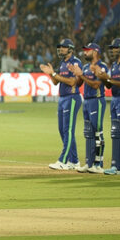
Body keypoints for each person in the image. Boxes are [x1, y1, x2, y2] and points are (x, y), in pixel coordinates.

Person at [94, 38, 120, 175]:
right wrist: (103, 77)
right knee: (115, 132)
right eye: (111, 48)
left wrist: (108, 78)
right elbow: (109, 85)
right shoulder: (114, 65)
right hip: (115, 99)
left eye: (114, 48)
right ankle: (115, 165)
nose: (112, 50)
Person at [41, 38, 82, 171]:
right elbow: (55, 82)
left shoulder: (75, 62)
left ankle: (63, 161)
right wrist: (50, 74)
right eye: (59, 47)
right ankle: (74, 161)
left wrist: (54, 73)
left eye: (63, 47)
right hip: (63, 98)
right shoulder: (62, 63)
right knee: (62, 130)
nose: (60, 49)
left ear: (70, 49)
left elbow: (72, 82)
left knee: (68, 130)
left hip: (72, 97)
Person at [70, 42, 109, 174]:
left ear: (95, 51)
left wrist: (81, 75)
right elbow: (79, 83)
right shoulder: (86, 66)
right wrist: (77, 74)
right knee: (89, 133)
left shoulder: (101, 67)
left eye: (87, 50)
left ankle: (98, 164)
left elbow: (96, 85)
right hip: (86, 101)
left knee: (98, 132)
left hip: (97, 101)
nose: (85, 52)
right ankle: (89, 162)